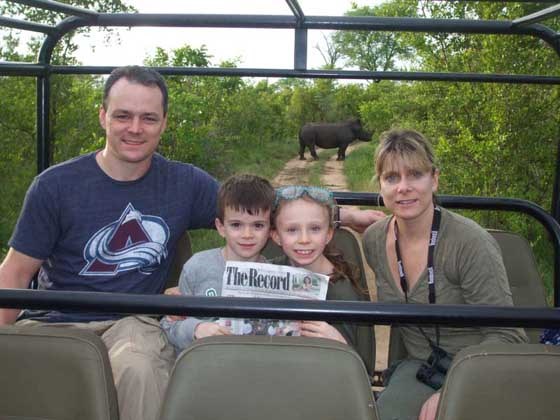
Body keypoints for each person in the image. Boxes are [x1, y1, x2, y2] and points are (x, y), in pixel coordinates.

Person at [0, 66, 220, 420]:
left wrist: (339, 216)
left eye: (148, 118)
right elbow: (14, 273)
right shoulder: (54, 186)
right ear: (103, 117)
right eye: (123, 116)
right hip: (55, 320)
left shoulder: (185, 184)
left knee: (140, 368)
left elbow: (259, 207)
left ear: (164, 122)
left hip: (134, 319)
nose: (135, 128)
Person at [362, 128, 528, 420]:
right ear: (380, 186)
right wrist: (343, 216)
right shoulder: (374, 240)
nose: (403, 187)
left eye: (415, 175)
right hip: (421, 367)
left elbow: (509, 335)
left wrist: (454, 390)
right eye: (391, 178)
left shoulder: (469, 242)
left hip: (481, 367)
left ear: (434, 179)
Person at [161, 174, 274, 349]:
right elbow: (169, 325)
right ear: (221, 227)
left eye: (258, 225)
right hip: (207, 364)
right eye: (236, 225)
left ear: (269, 229)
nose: (247, 235)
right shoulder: (197, 267)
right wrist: (196, 329)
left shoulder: (277, 276)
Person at [271, 185, 374, 361]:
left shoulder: (343, 293)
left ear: (328, 234)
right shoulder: (266, 270)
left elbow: (361, 367)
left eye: (315, 229)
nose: (304, 239)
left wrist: (340, 344)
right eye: (292, 230)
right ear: (276, 236)